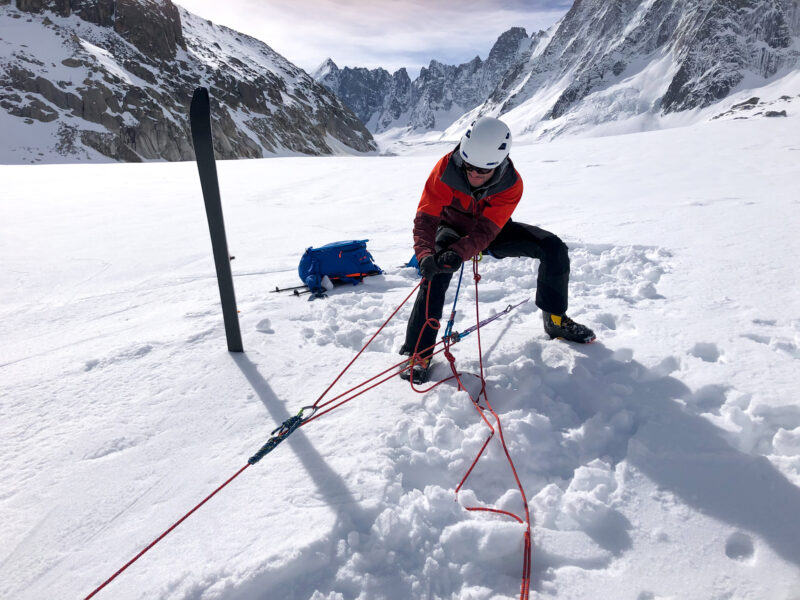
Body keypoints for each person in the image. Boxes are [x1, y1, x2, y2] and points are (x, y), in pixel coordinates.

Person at [399, 116, 595, 384]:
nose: (474, 175)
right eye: (469, 168)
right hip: (451, 226)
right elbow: (426, 217)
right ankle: (418, 352)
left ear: (499, 164)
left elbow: (486, 232)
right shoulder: (445, 169)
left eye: (483, 171)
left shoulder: (511, 183)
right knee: (435, 273)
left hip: (492, 229)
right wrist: (425, 255)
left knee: (553, 248)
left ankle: (555, 320)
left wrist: (459, 252)